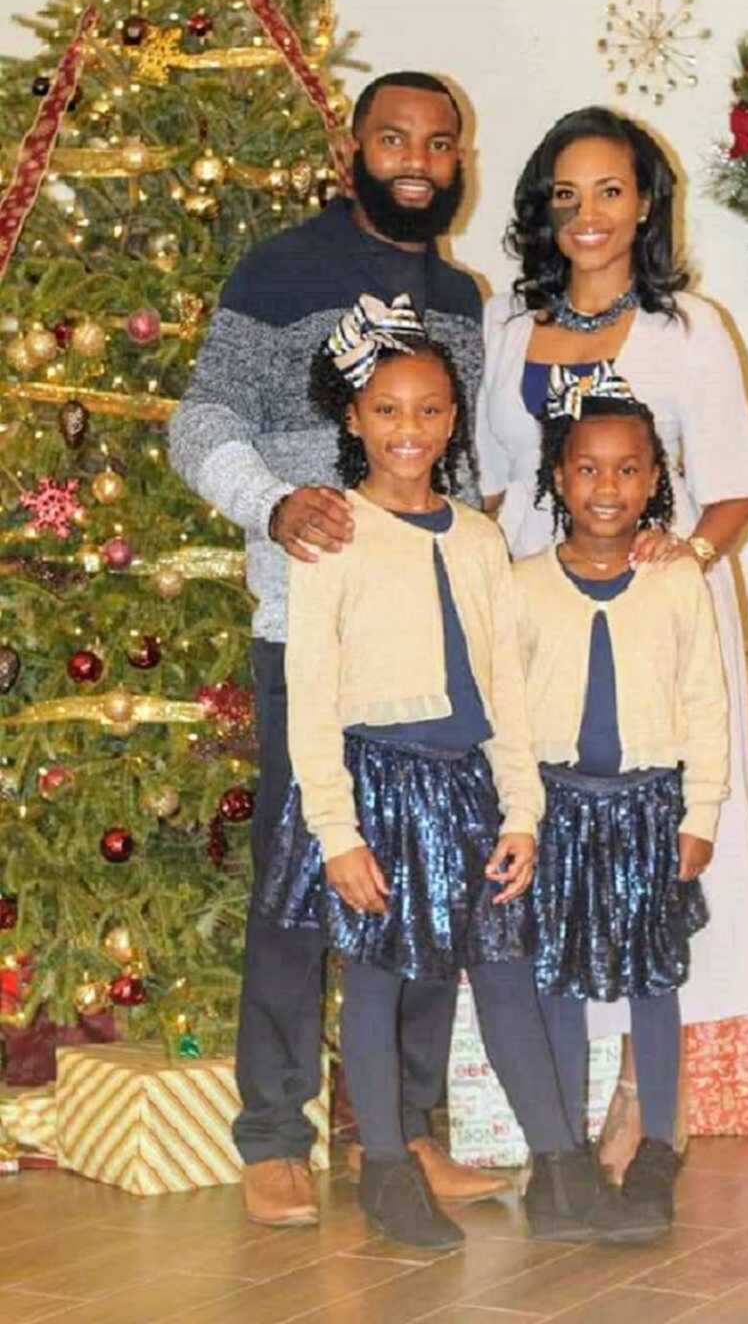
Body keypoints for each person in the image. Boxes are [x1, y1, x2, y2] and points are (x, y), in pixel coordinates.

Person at [169, 71, 505, 1229]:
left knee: (426, 893)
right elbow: (199, 416)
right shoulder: (280, 271)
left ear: (458, 160)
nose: (417, 157)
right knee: (301, 885)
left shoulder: (459, 295)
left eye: (438, 142)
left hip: (437, 660)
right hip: (308, 635)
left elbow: (463, 470)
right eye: (393, 137)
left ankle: (403, 1133)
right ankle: (274, 1132)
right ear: (355, 146)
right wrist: (271, 503)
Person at [256, 292, 620, 1249]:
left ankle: (561, 1167)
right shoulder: (331, 536)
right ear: (354, 419)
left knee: (503, 972)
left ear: (453, 419)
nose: (407, 429)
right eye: (386, 411)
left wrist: (523, 810)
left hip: (467, 789)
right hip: (375, 786)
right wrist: (337, 833)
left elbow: (505, 682)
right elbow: (313, 693)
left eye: (427, 411)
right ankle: (385, 1166)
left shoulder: (477, 537)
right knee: (373, 978)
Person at [475, 105, 748, 1174]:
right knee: (546, 839)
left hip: (655, 624)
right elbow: (499, 487)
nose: (588, 214)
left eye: (610, 190)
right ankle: (562, 1098)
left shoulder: (687, 329)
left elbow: (735, 487)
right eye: (566, 194)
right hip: (539, 624)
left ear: (645, 203)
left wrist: (683, 562)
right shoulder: (512, 333)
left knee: (660, 856)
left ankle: (649, 1100)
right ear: (543, 212)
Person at [514, 364, 729, 1239]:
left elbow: (707, 703)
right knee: (554, 980)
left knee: (654, 980)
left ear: (654, 477)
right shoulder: (522, 584)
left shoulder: (677, 580)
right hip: (557, 809)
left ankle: (653, 1156)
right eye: (589, 468)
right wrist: (517, 815)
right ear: (559, 479)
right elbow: (503, 710)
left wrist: (700, 815)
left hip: (649, 811)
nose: (608, 487)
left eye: (628, 468)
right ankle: (558, 1159)